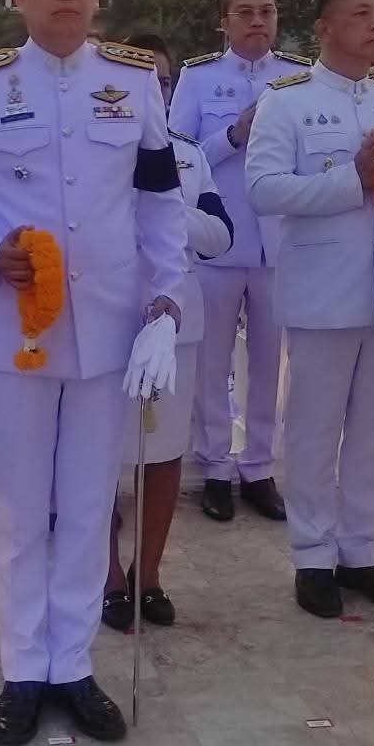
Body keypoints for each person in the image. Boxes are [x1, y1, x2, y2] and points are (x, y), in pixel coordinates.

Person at [0, 0, 186, 746]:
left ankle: (71, 664)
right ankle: (21, 668)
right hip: (14, 333)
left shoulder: (135, 80)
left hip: (108, 329)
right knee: (20, 510)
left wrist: (166, 302)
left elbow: (159, 200)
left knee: (85, 506)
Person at [245, 0, 374, 619]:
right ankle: (313, 556)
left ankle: (364, 551)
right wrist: (353, 177)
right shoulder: (288, 101)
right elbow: (264, 188)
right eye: (360, 15)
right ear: (323, 28)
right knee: (316, 427)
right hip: (323, 287)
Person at [102, 34, 232, 631]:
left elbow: (220, 235)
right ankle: (107, 575)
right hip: (102, 325)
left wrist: (162, 207)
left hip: (172, 324)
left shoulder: (187, 155)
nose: (151, 90)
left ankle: (148, 574)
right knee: (99, 458)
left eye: (160, 80)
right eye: (138, 79)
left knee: (163, 456)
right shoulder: (87, 152)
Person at [167, 0, 300, 523]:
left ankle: (260, 466)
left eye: (267, 12)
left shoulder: (297, 79)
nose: (257, 22)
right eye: (244, 13)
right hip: (219, 241)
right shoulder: (199, 79)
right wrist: (234, 136)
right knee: (211, 361)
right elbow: (176, 156)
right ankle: (216, 466)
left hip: (278, 242)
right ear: (224, 21)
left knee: (270, 363)